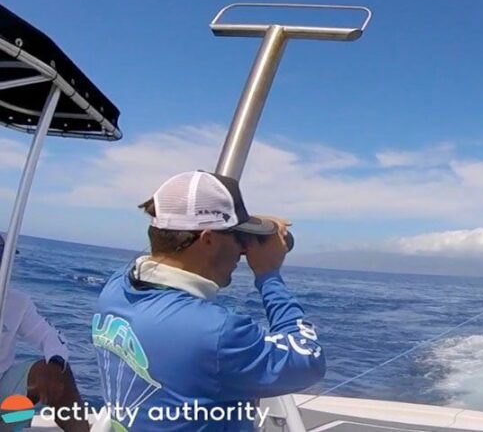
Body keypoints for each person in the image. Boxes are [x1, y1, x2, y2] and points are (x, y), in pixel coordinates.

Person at [92, 171, 325, 431]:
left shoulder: (116, 289)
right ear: (209, 239)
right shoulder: (216, 332)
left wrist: (242, 222)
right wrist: (269, 275)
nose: (243, 249)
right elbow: (309, 360)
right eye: (238, 237)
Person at [0, 236, 89, 432]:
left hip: (3, 391)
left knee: (56, 370)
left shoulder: (17, 302)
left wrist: (55, 364)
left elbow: (50, 337)